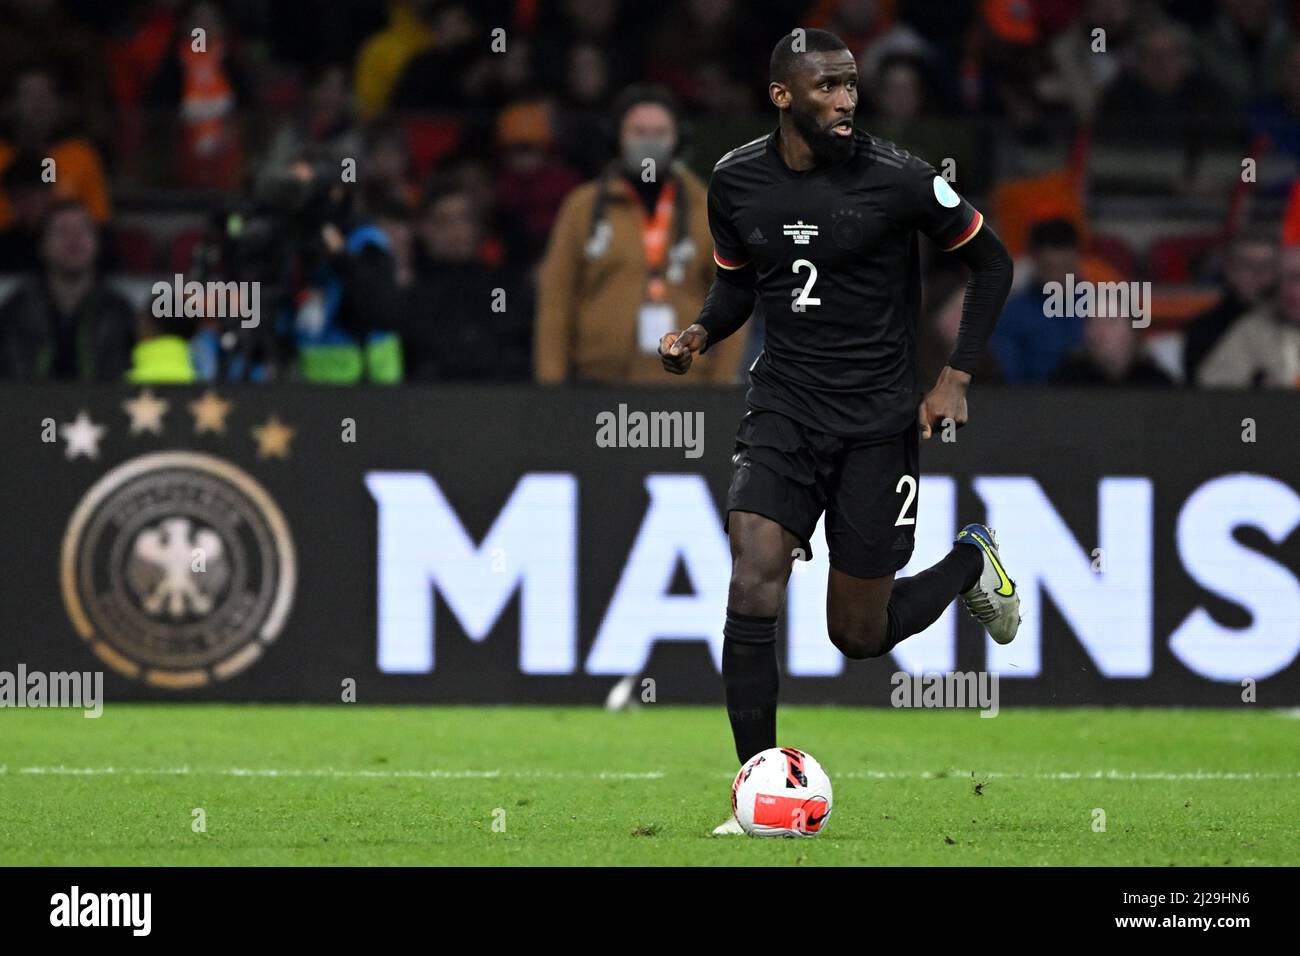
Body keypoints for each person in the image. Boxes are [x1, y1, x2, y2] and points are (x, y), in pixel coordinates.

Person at [657, 30, 1018, 835]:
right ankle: (754, 791)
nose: (846, 99)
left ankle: (970, 562)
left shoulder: (903, 180)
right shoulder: (735, 180)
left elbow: (992, 263)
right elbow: (736, 288)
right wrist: (697, 334)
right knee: (754, 573)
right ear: (783, 95)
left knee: (857, 634)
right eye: (826, 87)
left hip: (877, 422)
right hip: (784, 407)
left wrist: (953, 376)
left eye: (851, 85)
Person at [536, 83, 746, 384]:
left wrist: (722, 385)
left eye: (660, 132)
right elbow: (556, 298)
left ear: (677, 139)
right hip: (597, 384)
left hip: (687, 387)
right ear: (617, 137)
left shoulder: (709, 207)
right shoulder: (581, 207)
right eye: (638, 132)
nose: (649, 142)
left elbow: (733, 298)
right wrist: (551, 386)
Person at [0, 201, 134, 380]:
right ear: (41, 245)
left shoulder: (118, 310)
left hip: (102, 405)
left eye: (83, 230)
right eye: (62, 231)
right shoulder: (17, 309)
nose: (74, 239)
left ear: (97, 242)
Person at [1197, 245, 1300, 388]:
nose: (1288, 288)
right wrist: (1255, 383)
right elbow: (1210, 382)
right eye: (1281, 279)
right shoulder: (1252, 328)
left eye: (1297, 277)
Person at [1182, 230, 1279, 382]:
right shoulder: (1204, 329)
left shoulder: (1292, 323)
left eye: (1268, 265)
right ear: (1229, 271)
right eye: (1247, 265)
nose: (1258, 274)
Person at [1051, 313, 1174, 386]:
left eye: (1111, 322)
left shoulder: (1157, 384)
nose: (1099, 332)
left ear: (1133, 331)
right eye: (1093, 322)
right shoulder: (1067, 381)